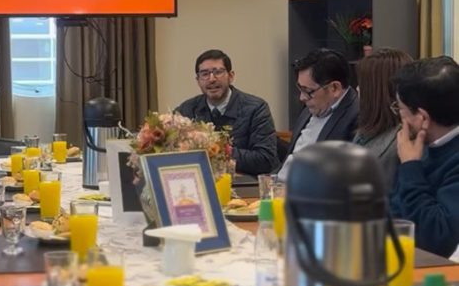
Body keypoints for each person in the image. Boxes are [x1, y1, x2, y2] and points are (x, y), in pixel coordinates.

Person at [389, 57, 459, 258]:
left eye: (399, 109)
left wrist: (411, 167)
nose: (399, 116)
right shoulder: (420, 146)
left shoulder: (417, 157)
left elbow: (437, 239)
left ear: (422, 118)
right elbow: (394, 214)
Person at [174, 49, 279, 175]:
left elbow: (265, 159)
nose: (211, 79)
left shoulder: (256, 108)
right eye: (205, 74)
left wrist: (220, 149)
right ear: (198, 80)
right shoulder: (187, 110)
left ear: (231, 76)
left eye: (218, 72)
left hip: (247, 182)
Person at [278, 48, 359, 180]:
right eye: (300, 89)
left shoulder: (356, 116)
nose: (302, 98)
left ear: (335, 88)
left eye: (308, 91)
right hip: (279, 185)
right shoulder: (313, 106)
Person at [353, 48, 413, 190]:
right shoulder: (367, 129)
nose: (357, 89)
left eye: (363, 84)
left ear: (377, 91)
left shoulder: (402, 142)